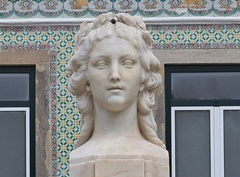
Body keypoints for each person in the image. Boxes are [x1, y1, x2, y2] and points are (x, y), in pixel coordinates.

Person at [66, 13, 167, 162]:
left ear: (143, 76)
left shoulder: (156, 157)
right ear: (85, 77)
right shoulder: (80, 157)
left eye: (127, 63)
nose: (114, 75)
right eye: (101, 64)